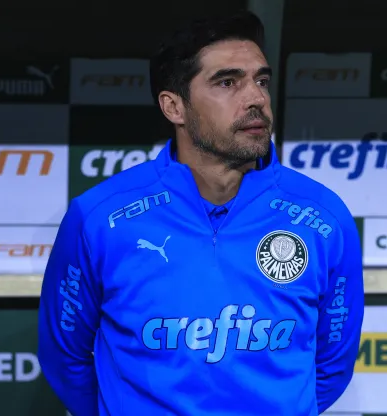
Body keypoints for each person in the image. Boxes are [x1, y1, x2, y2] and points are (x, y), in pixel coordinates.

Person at [37, 10, 364, 416]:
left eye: (261, 80)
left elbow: (332, 364)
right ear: (174, 106)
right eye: (228, 82)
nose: (256, 98)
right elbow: (65, 360)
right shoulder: (100, 217)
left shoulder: (323, 217)